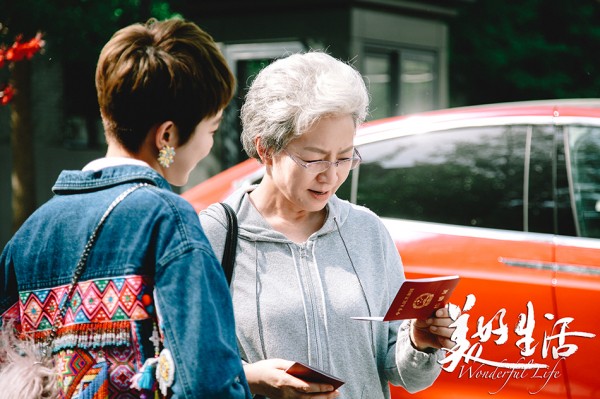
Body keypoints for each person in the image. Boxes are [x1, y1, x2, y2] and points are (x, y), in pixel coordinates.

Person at [0, 18, 251, 399]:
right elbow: (207, 380)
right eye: (211, 130)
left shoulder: (27, 237)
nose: (208, 146)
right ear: (167, 136)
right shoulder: (169, 221)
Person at [199, 51, 457, 399]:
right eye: (314, 158)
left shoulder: (367, 231)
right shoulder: (215, 235)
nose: (331, 175)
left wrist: (418, 342)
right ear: (265, 148)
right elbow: (187, 366)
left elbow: (403, 374)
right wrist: (251, 379)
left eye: (345, 156)